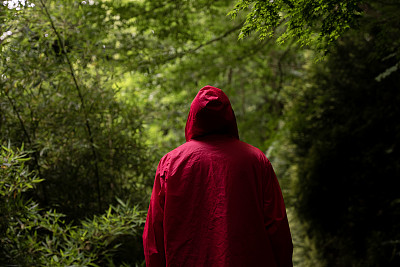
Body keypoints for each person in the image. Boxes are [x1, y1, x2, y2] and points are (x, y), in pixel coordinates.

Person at [143, 85, 293, 267]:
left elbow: (154, 235)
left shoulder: (171, 163)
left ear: (193, 117)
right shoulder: (256, 160)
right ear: (229, 117)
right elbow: (277, 228)